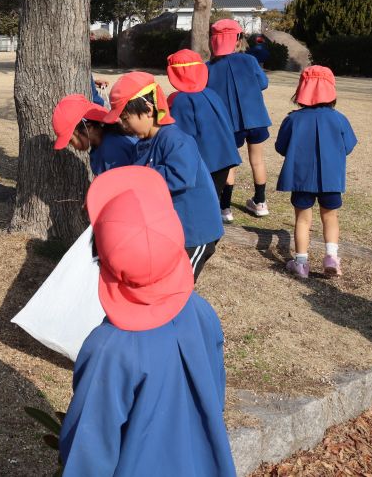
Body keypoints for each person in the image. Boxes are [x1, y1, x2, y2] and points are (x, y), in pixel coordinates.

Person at [58, 166, 236, 476]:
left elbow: (86, 453)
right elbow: (214, 397)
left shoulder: (109, 349)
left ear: (102, 259)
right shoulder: (201, 312)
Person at [104, 72, 223, 279]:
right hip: (172, 232)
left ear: (148, 110)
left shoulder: (176, 139)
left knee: (179, 284)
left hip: (194, 232)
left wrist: (137, 178)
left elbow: (180, 176)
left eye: (125, 118)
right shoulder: (141, 145)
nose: (123, 125)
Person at [275, 66, 357, 278]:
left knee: (302, 219)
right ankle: (331, 256)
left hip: (301, 179)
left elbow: (280, 147)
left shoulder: (293, 119)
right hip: (330, 179)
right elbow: (348, 146)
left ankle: (301, 262)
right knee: (330, 216)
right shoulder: (339, 119)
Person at [206, 19, 272, 218]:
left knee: (229, 163)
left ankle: (225, 208)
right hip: (256, 118)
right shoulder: (250, 60)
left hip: (227, 122)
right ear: (238, 40)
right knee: (257, 161)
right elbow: (263, 83)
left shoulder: (208, 67)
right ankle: (260, 202)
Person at [166, 49, 243, 213]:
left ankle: (208, 238)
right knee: (212, 203)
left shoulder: (181, 100)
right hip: (224, 158)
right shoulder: (211, 93)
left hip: (206, 163)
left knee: (202, 209)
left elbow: (181, 138)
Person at [52, 93, 136, 175]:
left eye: (71, 141)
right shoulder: (102, 145)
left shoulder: (111, 150)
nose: (71, 146)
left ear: (88, 127)